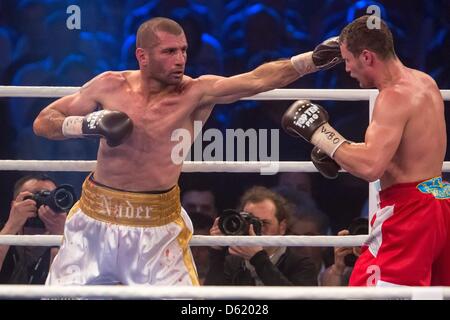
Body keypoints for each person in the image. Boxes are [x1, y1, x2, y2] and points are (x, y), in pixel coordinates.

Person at [33, 17, 342, 286]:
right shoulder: (109, 85)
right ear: (142, 55)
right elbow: (44, 121)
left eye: (183, 51)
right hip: (94, 220)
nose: (180, 59)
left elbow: (256, 80)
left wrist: (310, 61)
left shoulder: (195, 92)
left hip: (156, 227)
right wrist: (85, 124)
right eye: (169, 52)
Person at [282, 15, 450, 286]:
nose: (347, 68)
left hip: (409, 210)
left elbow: (371, 167)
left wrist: (320, 135)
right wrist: (345, 153)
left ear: (367, 57)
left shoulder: (392, 97)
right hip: (439, 198)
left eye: (348, 59)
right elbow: (401, 152)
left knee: (365, 290)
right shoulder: (424, 81)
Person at [204, 186, 317, 286]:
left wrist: (258, 259)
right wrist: (217, 252)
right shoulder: (232, 263)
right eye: (250, 222)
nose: (256, 229)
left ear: (282, 227)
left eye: (264, 223)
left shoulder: (302, 265)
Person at [0, 174, 66, 284]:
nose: (40, 205)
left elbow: (63, 292)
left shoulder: (72, 239)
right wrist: (10, 227)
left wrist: (60, 238)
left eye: (47, 199)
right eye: (31, 198)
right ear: (14, 206)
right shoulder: (3, 230)